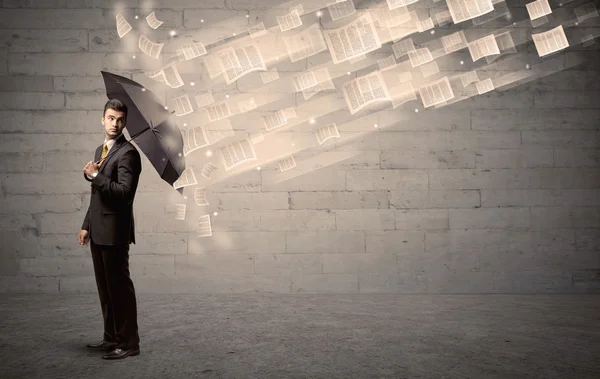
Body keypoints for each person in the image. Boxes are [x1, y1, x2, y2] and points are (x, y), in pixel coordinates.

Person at [78, 98, 142, 360]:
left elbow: (124, 194)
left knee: (119, 289)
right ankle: (111, 338)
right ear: (102, 119)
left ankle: (129, 344)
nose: (115, 124)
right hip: (99, 230)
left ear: (124, 122)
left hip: (115, 232)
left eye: (120, 120)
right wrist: (86, 225)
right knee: (105, 289)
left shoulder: (128, 153)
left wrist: (96, 176)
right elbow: (98, 194)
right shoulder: (100, 150)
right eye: (111, 118)